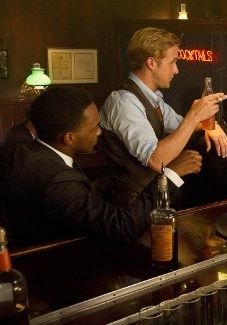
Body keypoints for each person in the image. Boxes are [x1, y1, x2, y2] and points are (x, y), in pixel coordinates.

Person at [3, 87, 169, 248]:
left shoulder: (29, 151)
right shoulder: (56, 179)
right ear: (69, 138)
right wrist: (170, 175)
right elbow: (122, 227)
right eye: (94, 127)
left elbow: (77, 195)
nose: (99, 132)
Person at [100, 27, 227, 206]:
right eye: (173, 62)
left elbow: (181, 126)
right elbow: (156, 160)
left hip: (155, 197)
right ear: (151, 63)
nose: (176, 70)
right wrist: (194, 116)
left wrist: (210, 126)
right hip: (132, 206)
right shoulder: (123, 102)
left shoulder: (153, 98)